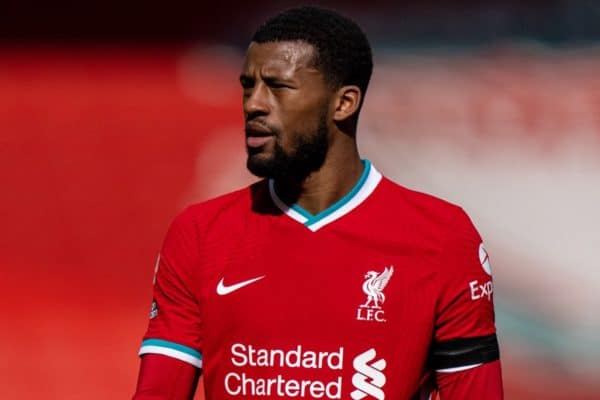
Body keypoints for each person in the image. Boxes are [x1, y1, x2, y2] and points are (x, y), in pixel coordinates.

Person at [133, 5, 503, 400]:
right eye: (247, 85)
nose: (253, 103)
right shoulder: (200, 234)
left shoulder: (442, 237)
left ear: (344, 103)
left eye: (277, 86)